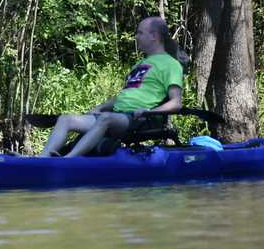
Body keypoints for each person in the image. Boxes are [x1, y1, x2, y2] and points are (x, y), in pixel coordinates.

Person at [40, 16, 185, 158]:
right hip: (118, 116)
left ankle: (68, 160)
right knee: (66, 119)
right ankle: (42, 160)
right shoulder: (141, 63)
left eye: (140, 33)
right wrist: (100, 107)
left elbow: (176, 103)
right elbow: (125, 95)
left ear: (154, 36)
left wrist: (149, 111)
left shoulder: (171, 65)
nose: (136, 36)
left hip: (142, 119)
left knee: (105, 118)